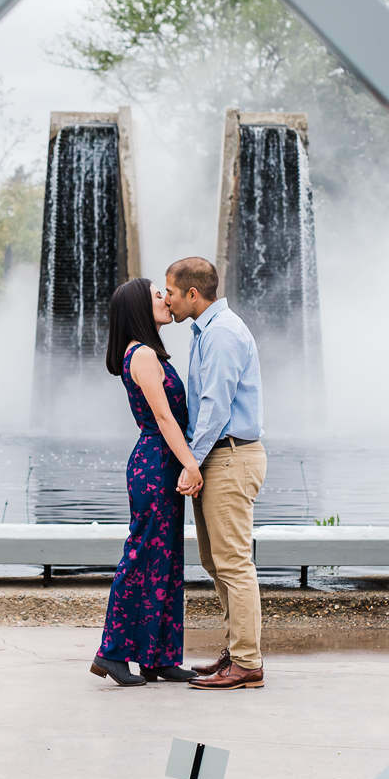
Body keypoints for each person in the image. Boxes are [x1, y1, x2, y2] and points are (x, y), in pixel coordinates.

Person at [91, 277, 203, 687]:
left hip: (163, 463)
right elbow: (163, 418)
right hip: (156, 463)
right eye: (159, 294)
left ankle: (158, 657)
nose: (166, 298)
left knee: (167, 561)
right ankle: (112, 653)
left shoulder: (151, 353)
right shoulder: (140, 355)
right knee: (141, 556)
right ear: (141, 307)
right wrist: (191, 465)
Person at [163, 256, 267, 689]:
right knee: (216, 561)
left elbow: (215, 406)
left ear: (192, 293)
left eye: (169, 292)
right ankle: (236, 653)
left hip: (228, 455)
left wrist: (191, 463)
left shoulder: (221, 333)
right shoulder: (207, 331)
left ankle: (247, 663)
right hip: (220, 456)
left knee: (233, 563)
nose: (165, 300)